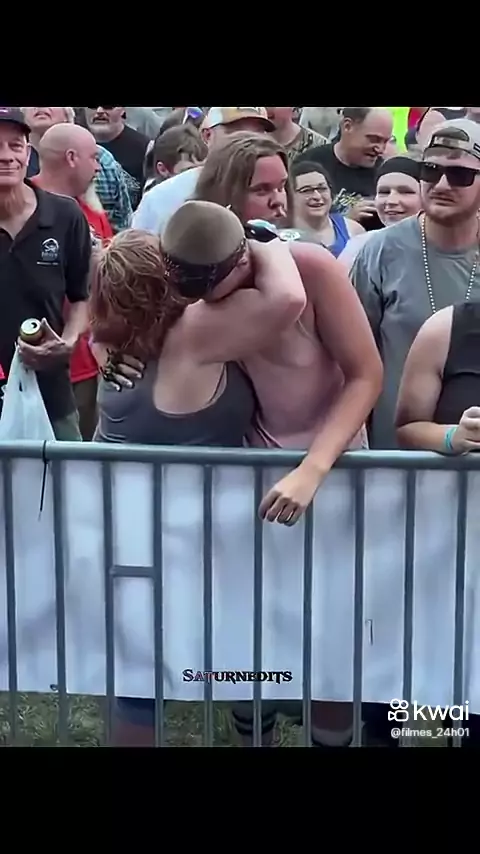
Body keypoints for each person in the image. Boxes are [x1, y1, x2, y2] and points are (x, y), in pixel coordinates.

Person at [93, 134, 383, 747]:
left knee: (330, 640)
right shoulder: (191, 275)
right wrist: (112, 352)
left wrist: (314, 468)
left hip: (326, 477)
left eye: (282, 187)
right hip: (243, 485)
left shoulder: (305, 268)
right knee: (249, 637)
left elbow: (366, 374)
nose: (277, 201)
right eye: (261, 189)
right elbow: (120, 313)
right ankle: (257, 729)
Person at [90, 204, 307, 746]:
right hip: (193, 532)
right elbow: (287, 298)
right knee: (234, 647)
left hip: (127, 527)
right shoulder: (192, 334)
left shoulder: (114, 339)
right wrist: (255, 240)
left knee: (140, 670)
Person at [352, 118, 480, 452]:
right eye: (430, 170)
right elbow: (350, 361)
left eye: (460, 175)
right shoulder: (380, 251)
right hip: (393, 456)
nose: (441, 184)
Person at [395, 300, 480, 748]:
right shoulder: (447, 328)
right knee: (433, 714)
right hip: (448, 558)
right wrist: (454, 437)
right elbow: (407, 427)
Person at [0, 107, 91, 440]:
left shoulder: (66, 215)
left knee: (67, 472)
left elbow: (82, 298)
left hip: (50, 391)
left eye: (15, 145)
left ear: (28, 154)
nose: (6, 156)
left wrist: (67, 342)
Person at [33, 123, 113, 439]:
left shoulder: (93, 213)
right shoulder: (18, 206)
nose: (98, 168)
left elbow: (108, 288)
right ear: (71, 158)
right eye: (94, 157)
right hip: (29, 368)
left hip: (86, 364)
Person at [132, 107, 274, 235]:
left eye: (258, 132)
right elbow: (139, 252)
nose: (248, 141)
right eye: (236, 132)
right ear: (207, 136)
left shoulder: (277, 189)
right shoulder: (163, 197)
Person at [294, 107, 393, 228]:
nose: (380, 149)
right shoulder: (310, 165)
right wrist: (344, 221)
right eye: (373, 140)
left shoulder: (385, 172)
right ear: (347, 126)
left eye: (385, 141)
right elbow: (294, 218)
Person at [337, 155, 422, 271]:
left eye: (405, 192)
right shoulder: (359, 246)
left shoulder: (442, 246)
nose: (391, 201)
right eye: (384, 192)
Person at [291, 160, 364, 256]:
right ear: (290, 196)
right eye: (306, 190)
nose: (317, 196)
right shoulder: (283, 234)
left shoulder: (353, 230)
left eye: (322, 189)